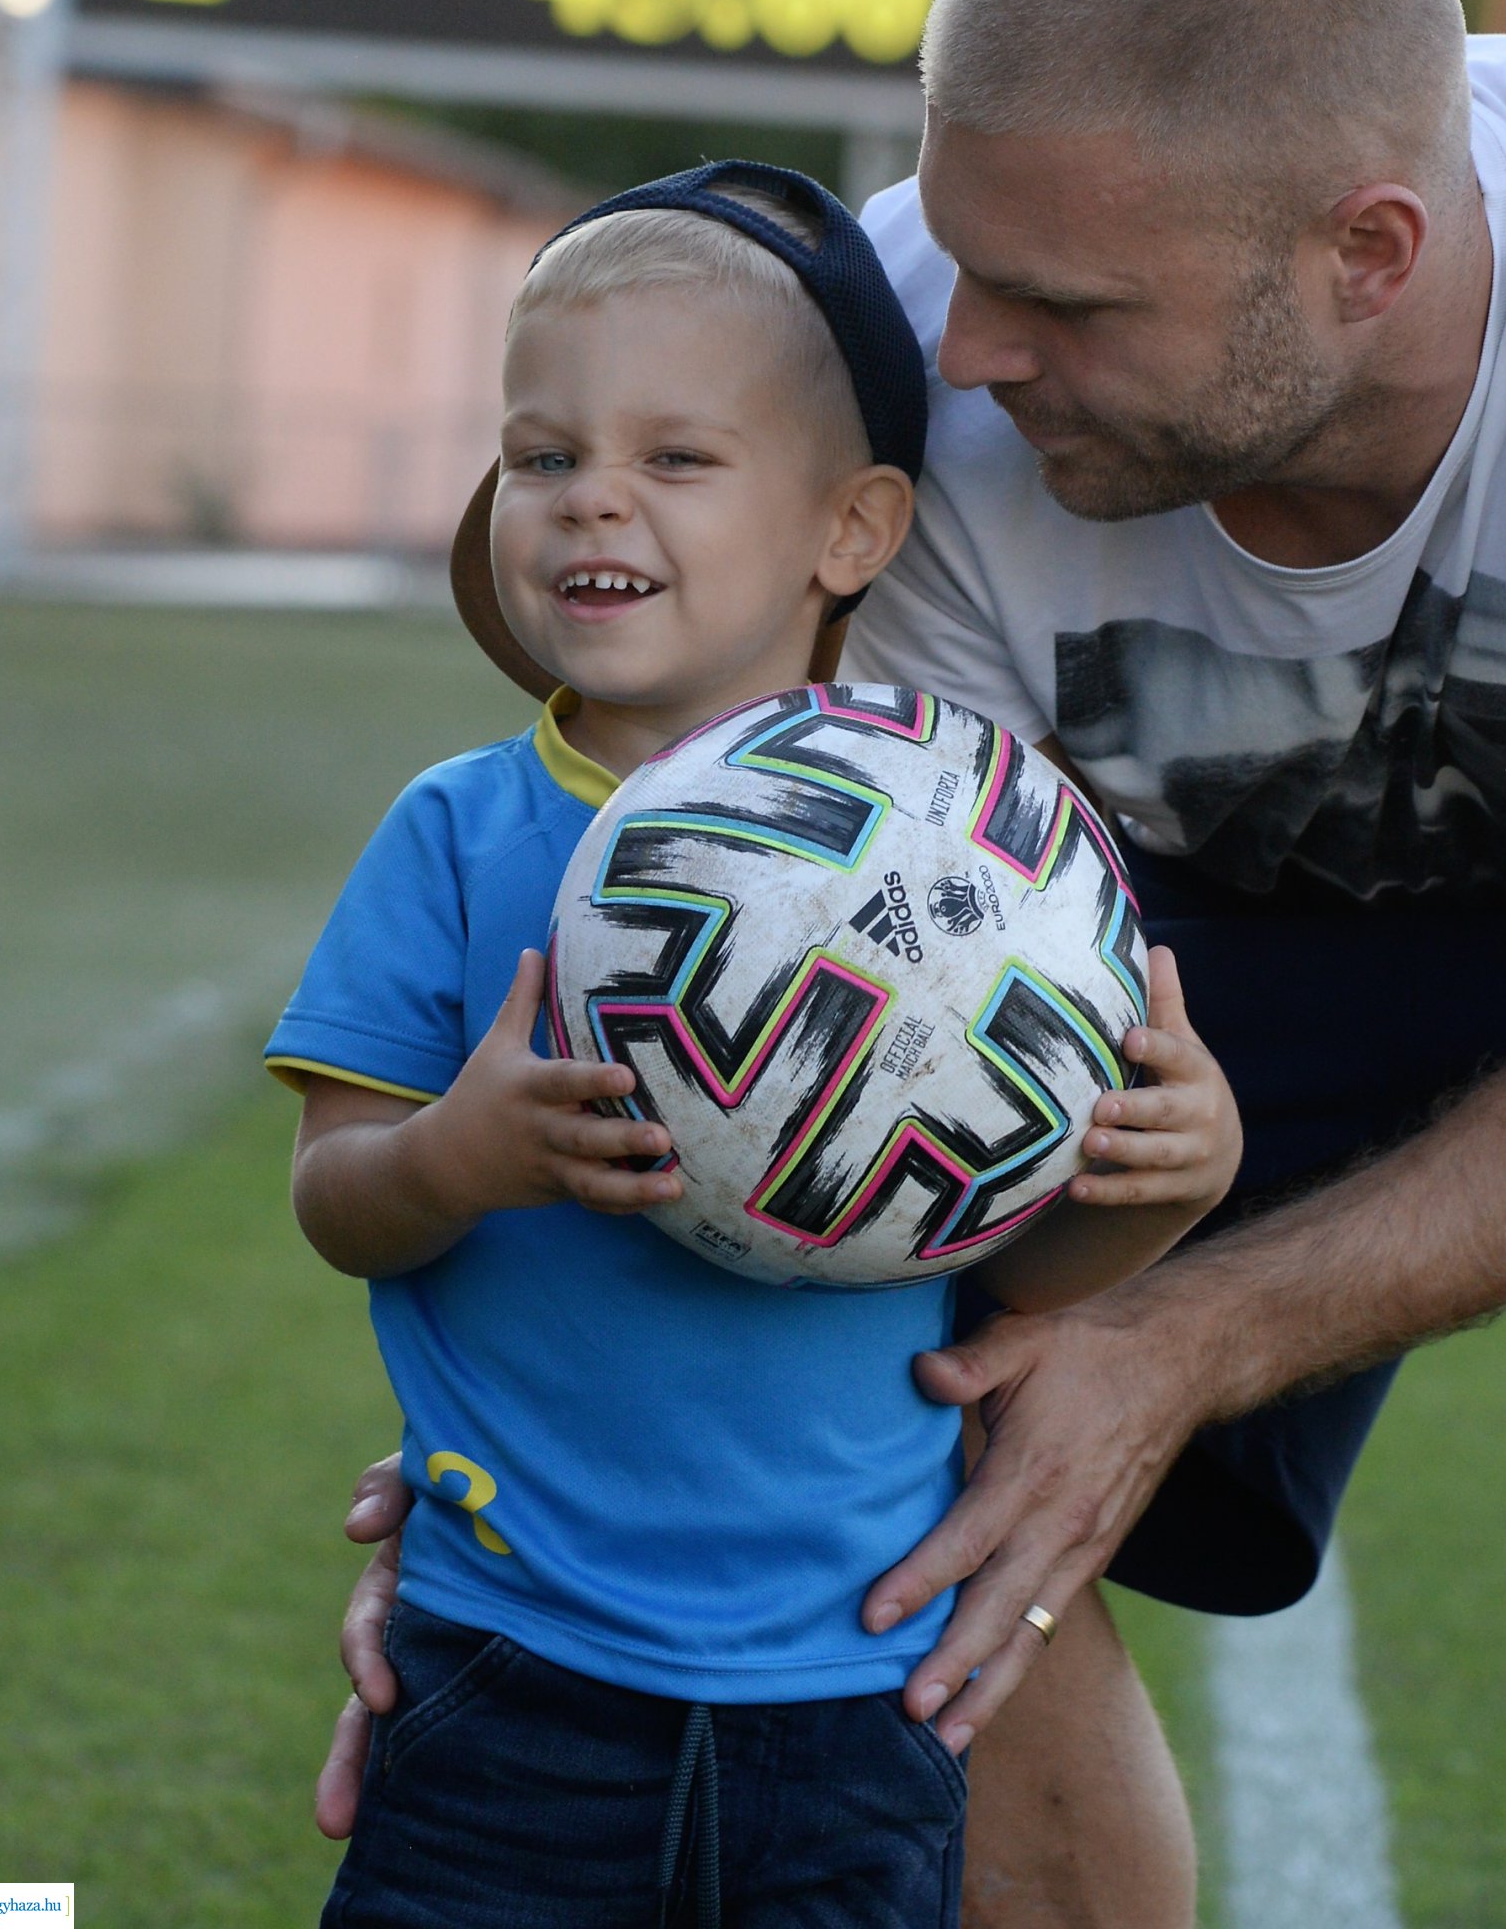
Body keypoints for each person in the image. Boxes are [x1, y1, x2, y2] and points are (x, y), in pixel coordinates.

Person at [324, 0, 1506, 1929]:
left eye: (1059, 307)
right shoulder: (927, 343)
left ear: (1371, 252)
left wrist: (1193, 1339)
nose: (965, 359)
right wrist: (562, 1536)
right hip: (1149, 936)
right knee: (941, 1394)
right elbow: (653, 777)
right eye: (963, 269)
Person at [272, 163, 1239, 1929]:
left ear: (852, 532)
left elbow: (1011, 1283)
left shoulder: (982, 861)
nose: (590, 504)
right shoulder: (457, 832)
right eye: (546, 456)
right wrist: (456, 1158)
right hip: (513, 1676)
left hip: (856, 1702)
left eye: (675, 459)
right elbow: (338, 1197)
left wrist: (1170, 1184)